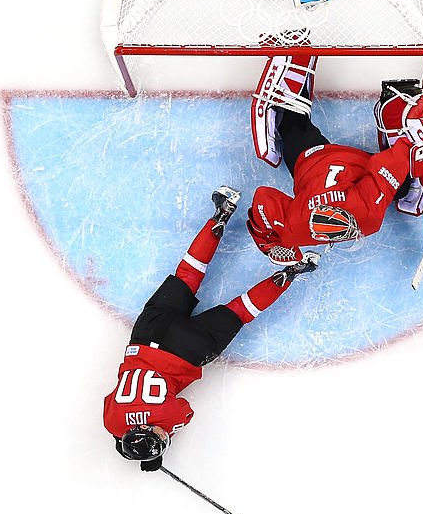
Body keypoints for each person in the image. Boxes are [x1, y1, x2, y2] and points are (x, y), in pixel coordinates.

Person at [102, 186, 320, 471]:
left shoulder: (168, 418)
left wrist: (154, 450)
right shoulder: (112, 422)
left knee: (240, 311)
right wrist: (134, 439)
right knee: (188, 273)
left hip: (187, 350)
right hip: (148, 335)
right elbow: (117, 421)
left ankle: (291, 271)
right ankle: (222, 212)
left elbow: (183, 412)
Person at [247, 53, 423, 265]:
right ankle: (294, 63)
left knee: (404, 186)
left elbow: (386, 166)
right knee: (292, 124)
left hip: (345, 160)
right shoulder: (294, 229)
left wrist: (413, 151)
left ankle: (395, 108)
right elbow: (263, 198)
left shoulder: (369, 218)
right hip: (312, 160)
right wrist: (268, 237)